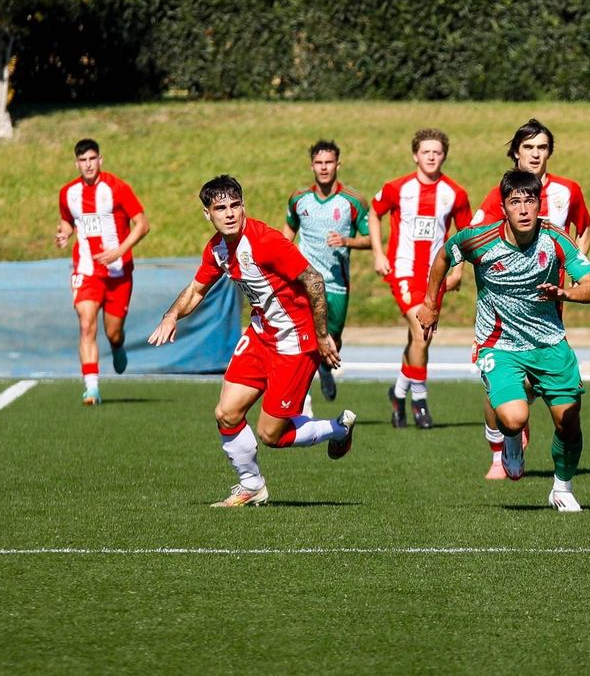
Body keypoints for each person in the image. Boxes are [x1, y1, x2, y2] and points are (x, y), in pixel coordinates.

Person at [148, 175, 356, 507]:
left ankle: (338, 429)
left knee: (272, 435)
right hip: (261, 335)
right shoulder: (217, 248)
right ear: (208, 214)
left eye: (235, 205)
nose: (229, 213)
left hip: (295, 341)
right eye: (220, 208)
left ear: (243, 207)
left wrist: (321, 336)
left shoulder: (266, 242)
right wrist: (171, 315)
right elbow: (195, 290)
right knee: (226, 413)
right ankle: (251, 485)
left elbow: (314, 281)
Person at [421, 169, 590, 511]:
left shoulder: (555, 238)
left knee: (568, 423)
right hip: (499, 343)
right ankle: (511, 442)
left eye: (529, 202)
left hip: (549, 343)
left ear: (539, 205)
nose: (523, 209)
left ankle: (561, 488)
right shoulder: (480, 240)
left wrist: (565, 292)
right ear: (503, 207)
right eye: (515, 202)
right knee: (515, 418)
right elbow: (445, 255)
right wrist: (431, 303)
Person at [469, 119, 590, 478]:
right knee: (505, 379)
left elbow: (584, 226)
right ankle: (502, 448)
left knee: (536, 380)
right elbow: (475, 238)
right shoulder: (501, 195)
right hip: (503, 310)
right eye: (528, 147)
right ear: (515, 153)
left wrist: (576, 263)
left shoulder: (568, 190)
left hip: (549, 305)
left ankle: (519, 431)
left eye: (542, 147)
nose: (535, 154)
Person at [369, 128, 471, 429]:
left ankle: (397, 393)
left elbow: (466, 236)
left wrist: (458, 270)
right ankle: (420, 400)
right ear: (415, 155)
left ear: (444, 156)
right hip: (403, 270)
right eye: (425, 151)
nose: (431, 156)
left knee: (418, 340)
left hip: (434, 277)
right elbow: (373, 213)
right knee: (422, 331)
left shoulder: (455, 194)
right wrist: (378, 253)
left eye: (437, 152)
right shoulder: (397, 188)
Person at [56, 138, 151, 405]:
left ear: (101, 160)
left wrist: (119, 251)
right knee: (86, 324)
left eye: (92, 159)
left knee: (113, 333)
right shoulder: (68, 193)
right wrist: (64, 234)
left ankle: (117, 346)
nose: (88, 165)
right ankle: (92, 388)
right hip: (86, 270)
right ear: (76, 163)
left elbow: (142, 224)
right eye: (83, 160)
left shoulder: (117, 188)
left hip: (119, 273)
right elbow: (66, 221)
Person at [283, 140, 370, 404]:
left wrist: (346, 241)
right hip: (304, 280)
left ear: (337, 165)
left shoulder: (353, 201)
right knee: (306, 337)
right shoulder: (299, 199)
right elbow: (288, 234)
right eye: (319, 163)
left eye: (328, 162)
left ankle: (324, 369)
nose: (324, 168)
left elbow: (369, 240)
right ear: (312, 166)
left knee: (333, 341)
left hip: (336, 284)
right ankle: (304, 397)